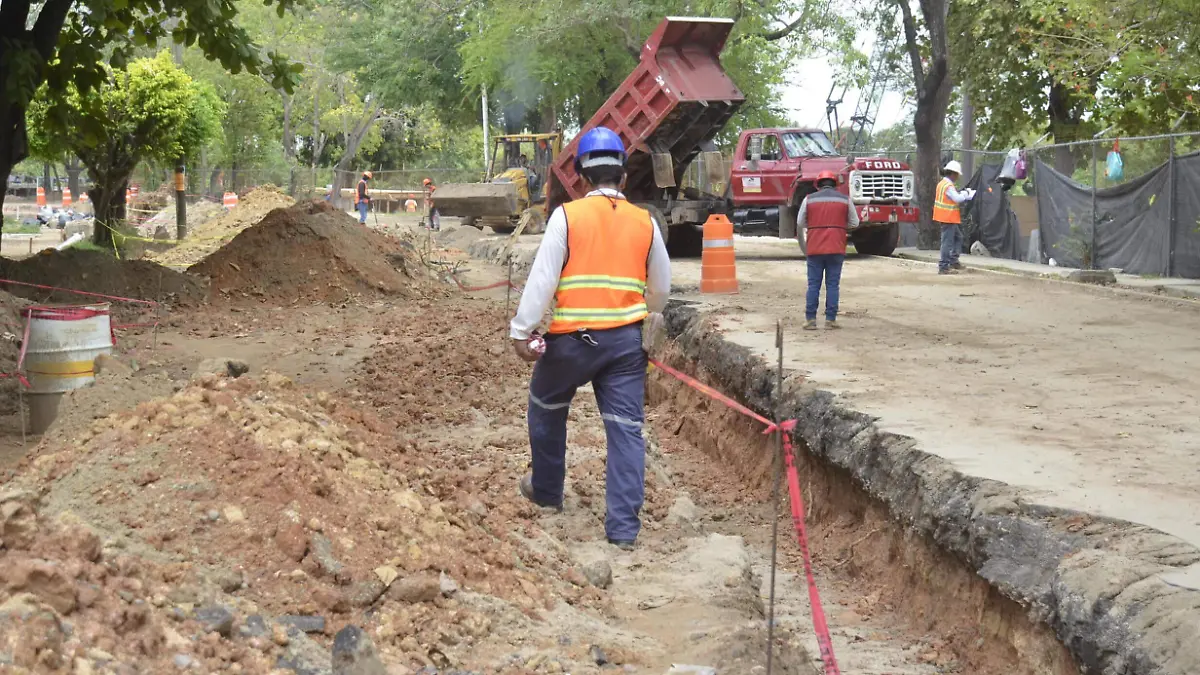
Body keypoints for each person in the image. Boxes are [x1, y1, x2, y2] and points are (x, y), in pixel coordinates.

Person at [509, 127, 671, 551]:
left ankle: (547, 490)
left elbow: (543, 280)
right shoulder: (646, 222)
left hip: (572, 342)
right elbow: (661, 290)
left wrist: (522, 331)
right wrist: (639, 311)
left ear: (580, 177)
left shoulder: (567, 217)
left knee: (545, 404)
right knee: (625, 430)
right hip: (625, 345)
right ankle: (623, 530)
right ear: (624, 176)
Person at [797, 170, 859, 330]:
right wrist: (839, 226)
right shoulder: (845, 200)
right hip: (836, 247)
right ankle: (830, 320)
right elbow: (855, 222)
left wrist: (815, 226)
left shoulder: (809, 199)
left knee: (813, 285)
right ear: (835, 184)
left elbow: (800, 222)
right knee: (832, 285)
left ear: (818, 185)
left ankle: (810, 320)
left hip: (815, 247)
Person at [934, 160, 976, 275]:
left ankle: (953, 261)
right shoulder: (948, 186)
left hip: (946, 217)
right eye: (957, 174)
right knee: (947, 242)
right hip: (948, 217)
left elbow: (953, 197)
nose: (958, 177)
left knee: (958, 237)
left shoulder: (943, 184)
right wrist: (966, 194)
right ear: (953, 173)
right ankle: (944, 266)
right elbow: (957, 199)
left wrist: (962, 194)